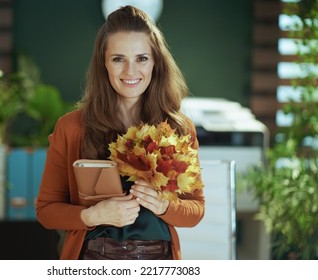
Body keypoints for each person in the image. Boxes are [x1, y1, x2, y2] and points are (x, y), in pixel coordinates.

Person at [36, 5, 205, 260]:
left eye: (141, 58)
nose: (130, 72)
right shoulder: (71, 128)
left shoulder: (179, 128)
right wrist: (91, 216)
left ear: (155, 63)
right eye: (118, 59)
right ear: (103, 64)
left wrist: (164, 206)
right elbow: (46, 211)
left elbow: (196, 209)